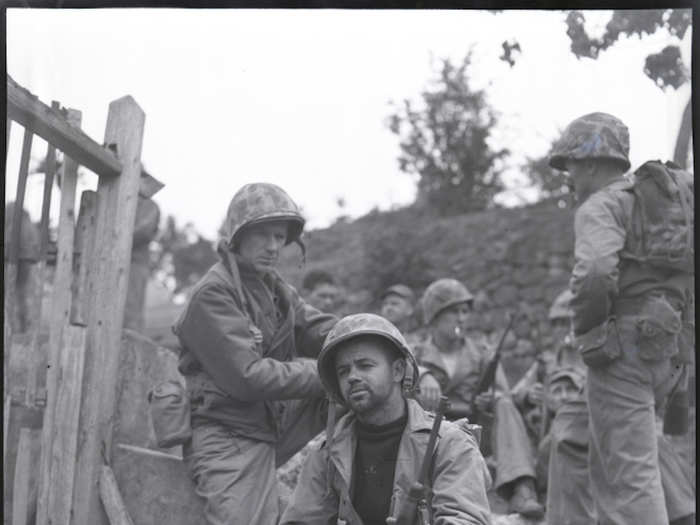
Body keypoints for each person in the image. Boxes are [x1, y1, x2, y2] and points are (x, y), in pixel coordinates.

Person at [549, 112, 695, 525]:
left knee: (627, 477)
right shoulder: (657, 205)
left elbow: (594, 272)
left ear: (592, 162)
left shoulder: (601, 206)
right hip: (666, 347)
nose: (569, 176)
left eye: (572, 165)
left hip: (624, 348)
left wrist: (590, 334)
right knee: (632, 451)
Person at [173, 182, 337, 525]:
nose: (274, 247)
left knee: (361, 383)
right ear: (239, 236)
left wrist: (370, 340)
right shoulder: (214, 293)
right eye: (264, 235)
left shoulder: (274, 287)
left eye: (280, 237)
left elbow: (318, 329)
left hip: (269, 422)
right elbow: (248, 377)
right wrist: (325, 374)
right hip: (227, 435)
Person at [281, 313, 492, 525]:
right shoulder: (328, 453)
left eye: (365, 365)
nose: (352, 376)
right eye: (343, 371)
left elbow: (465, 519)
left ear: (398, 371)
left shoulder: (449, 444)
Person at [413, 278, 545, 519]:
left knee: (503, 404)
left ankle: (522, 488)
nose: (462, 318)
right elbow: (397, 375)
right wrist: (423, 375)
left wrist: (491, 399)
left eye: (465, 311)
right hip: (431, 431)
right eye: (454, 311)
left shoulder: (483, 353)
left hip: (477, 429)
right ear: (434, 315)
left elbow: (506, 395)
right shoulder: (417, 353)